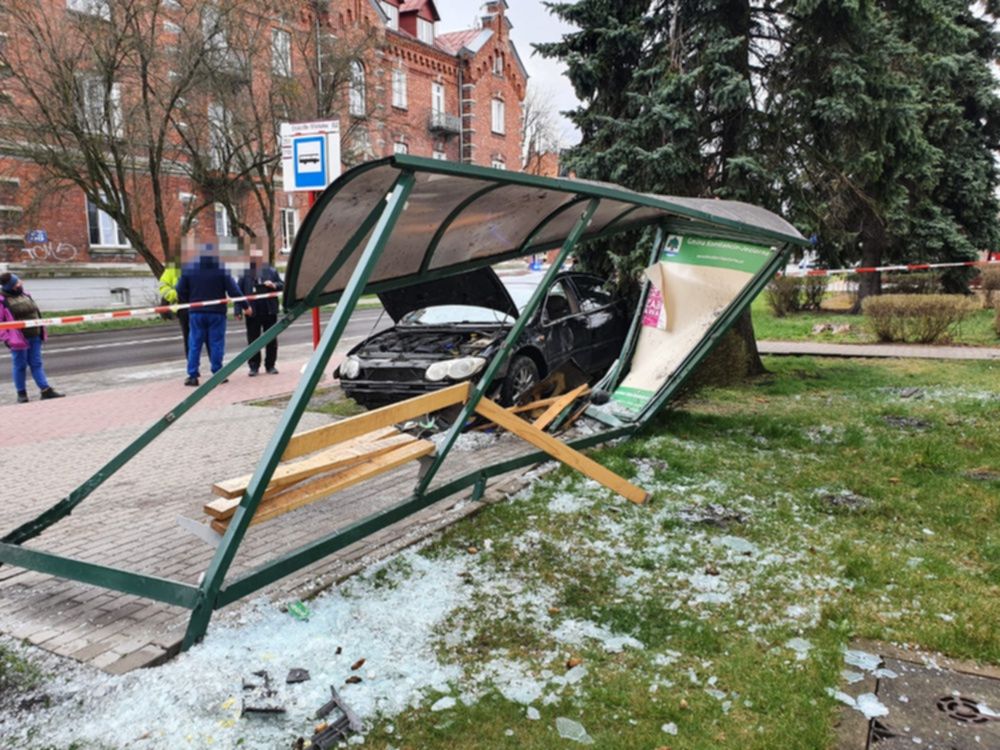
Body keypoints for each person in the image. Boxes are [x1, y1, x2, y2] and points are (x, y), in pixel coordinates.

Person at [176, 247, 250, 386]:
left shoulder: (189, 269)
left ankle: (192, 375)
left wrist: (189, 301)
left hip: (196, 312)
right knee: (216, 343)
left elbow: (179, 289)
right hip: (217, 313)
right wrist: (245, 306)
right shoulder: (221, 269)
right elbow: (234, 290)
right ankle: (218, 374)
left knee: (194, 344)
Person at [0, 273, 64, 403]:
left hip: (35, 335)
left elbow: (36, 313)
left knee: (37, 363)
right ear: (11, 286)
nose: (21, 283)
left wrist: (41, 329)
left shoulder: (25, 295)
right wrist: (7, 339)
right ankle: (21, 394)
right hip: (18, 340)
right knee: (20, 366)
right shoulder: (2, 300)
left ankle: (45, 390)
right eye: (17, 282)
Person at [238, 249, 283, 376]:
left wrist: (274, 285)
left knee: (271, 340)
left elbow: (282, 285)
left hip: (269, 311)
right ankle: (254, 366)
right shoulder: (245, 273)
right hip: (252, 312)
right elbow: (238, 292)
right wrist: (238, 310)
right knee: (253, 340)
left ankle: (270, 365)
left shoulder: (271, 271)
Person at [158, 259, 189, 356]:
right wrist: (175, 295)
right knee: (189, 338)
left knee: (208, 338)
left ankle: (216, 368)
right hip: (183, 306)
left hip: (200, 305)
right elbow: (163, 285)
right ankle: (193, 367)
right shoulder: (174, 267)